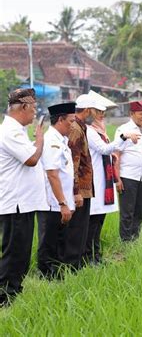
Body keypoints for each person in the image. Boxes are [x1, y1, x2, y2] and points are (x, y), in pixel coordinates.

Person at [0, 88, 48, 306]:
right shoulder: (10, 131)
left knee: (21, 254)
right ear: (24, 107)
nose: (35, 113)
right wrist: (39, 139)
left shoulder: (16, 131)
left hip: (24, 204)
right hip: (15, 204)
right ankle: (5, 298)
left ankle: (14, 293)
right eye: (34, 108)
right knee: (14, 254)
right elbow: (31, 159)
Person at [85, 104, 140, 264]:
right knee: (92, 223)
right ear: (90, 112)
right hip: (95, 181)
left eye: (103, 112)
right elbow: (104, 149)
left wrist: (114, 155)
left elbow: (110, 150)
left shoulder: (100, 130)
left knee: (98, 221)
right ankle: (89, 257)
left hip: (104, 180)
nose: (102, 115)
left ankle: (96, 256)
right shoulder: (90, 131)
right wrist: (123, 137)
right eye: (98, 111)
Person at [37, 102, 76, 280]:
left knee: (60, 241)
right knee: (49, 243)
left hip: (62, 202)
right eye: (71, 121)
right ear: (60, 120)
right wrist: (62, 203)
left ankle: (57, 275)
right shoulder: (51, 141)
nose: (73, 125)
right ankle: (47, 277)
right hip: (53, 203)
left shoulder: (62, 140)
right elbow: (52, 174)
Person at [65, 94, 102, 270]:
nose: (94, 113)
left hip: (85, 188)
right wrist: (75, 190)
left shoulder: (81, 127)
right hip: (79, 188)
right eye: (93, 110)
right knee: (76, 229)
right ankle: (73, 265)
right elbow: (74, 161)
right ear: (87, 110)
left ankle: (78, 262)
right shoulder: (76, 129)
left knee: (82, 228)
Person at [114, 100, 142, 242]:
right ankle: (125, 242)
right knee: (127, 212)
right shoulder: (123, 130)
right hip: (127, 177)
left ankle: (135, 239)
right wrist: (117, 179)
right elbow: (116, 156)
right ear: (131, 114)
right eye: (140, 114)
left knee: (139, 212)